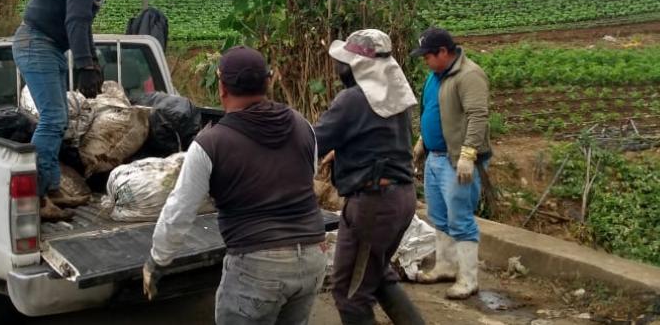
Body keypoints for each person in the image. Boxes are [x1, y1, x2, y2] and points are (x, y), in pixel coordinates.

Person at [143, 46, 327, 325]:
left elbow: (179, 209)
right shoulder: (303, 126)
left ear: (222, 88)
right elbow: (306, 177)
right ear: (268, 82)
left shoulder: (211, 144)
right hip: (312, 261)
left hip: (257, 267)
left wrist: (157, 260)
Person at [12, 0, 145, 221]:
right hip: (36, 43)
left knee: (59, 121)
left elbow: (82, 24)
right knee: (54, 118)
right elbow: (76, 19)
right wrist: (84, 63)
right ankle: (37, 196)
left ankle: (52, 188)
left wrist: (91, 63)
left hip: (49, 47)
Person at [314, 29, 425, 325]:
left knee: (349, 293)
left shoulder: (352, 99)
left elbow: (313, 141)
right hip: (400, 197)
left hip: (374, 205)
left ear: (356, 67)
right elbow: (381, 139)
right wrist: (346, 152)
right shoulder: (393, 95)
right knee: (377, 277)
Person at [410, 27, 491, 300]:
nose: (425, 61)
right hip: (435, 157)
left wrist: (469, 154)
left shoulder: (469, 75)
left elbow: (478, 116)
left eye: (427, 56)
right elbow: (435, 111)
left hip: (455, 161)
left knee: (461, 220)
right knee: (440, 218)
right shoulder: (436, 76)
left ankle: (468, 279)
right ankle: (445, 266)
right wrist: (423, 140)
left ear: (443, 52)